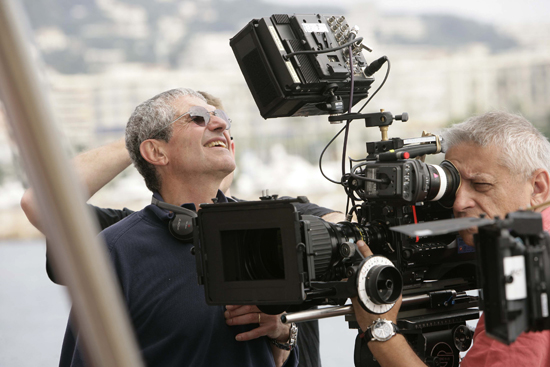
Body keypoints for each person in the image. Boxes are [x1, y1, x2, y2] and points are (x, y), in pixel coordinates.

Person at [21, 88, 343, 367]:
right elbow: (41, 201)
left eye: (222, 122)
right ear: (156, 151)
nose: (220, 127)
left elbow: (351, 235)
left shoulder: (280, 224)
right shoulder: (117, 247)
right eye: (198, 118)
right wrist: (141, 138)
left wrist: (282, 332)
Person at [351, 111, 550, 366]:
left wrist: (380, 328)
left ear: (538, 187)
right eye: (453, 186)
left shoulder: (526, 267)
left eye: (481, 185)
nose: (459, 203)